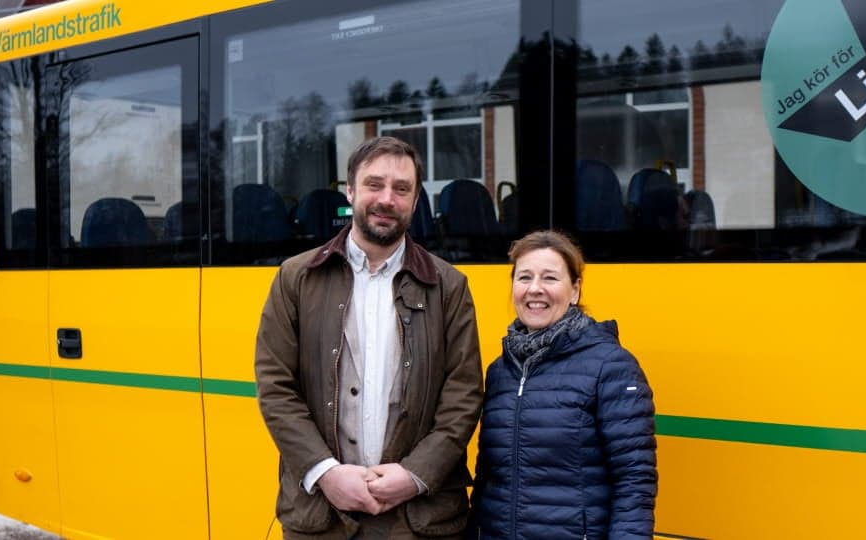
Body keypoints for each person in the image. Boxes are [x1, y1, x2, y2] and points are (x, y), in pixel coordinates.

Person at [255, 136, 483, 539]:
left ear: (415, 201)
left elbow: (462, 395)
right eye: (374, 184)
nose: (387, 199)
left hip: (419, 520)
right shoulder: (296, 277)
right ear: (350, 190)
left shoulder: (449, 286)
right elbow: (276, 388)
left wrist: (415, 474)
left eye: (401, 189)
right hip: (320, 518)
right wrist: (325, 473)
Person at [471, 231, 657, 538]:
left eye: (550, 278)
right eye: (524, 277)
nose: (535, 289)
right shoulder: (500, 371)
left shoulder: (612, 367)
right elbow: (486, 480)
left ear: (575, 290)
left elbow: (634, 481)